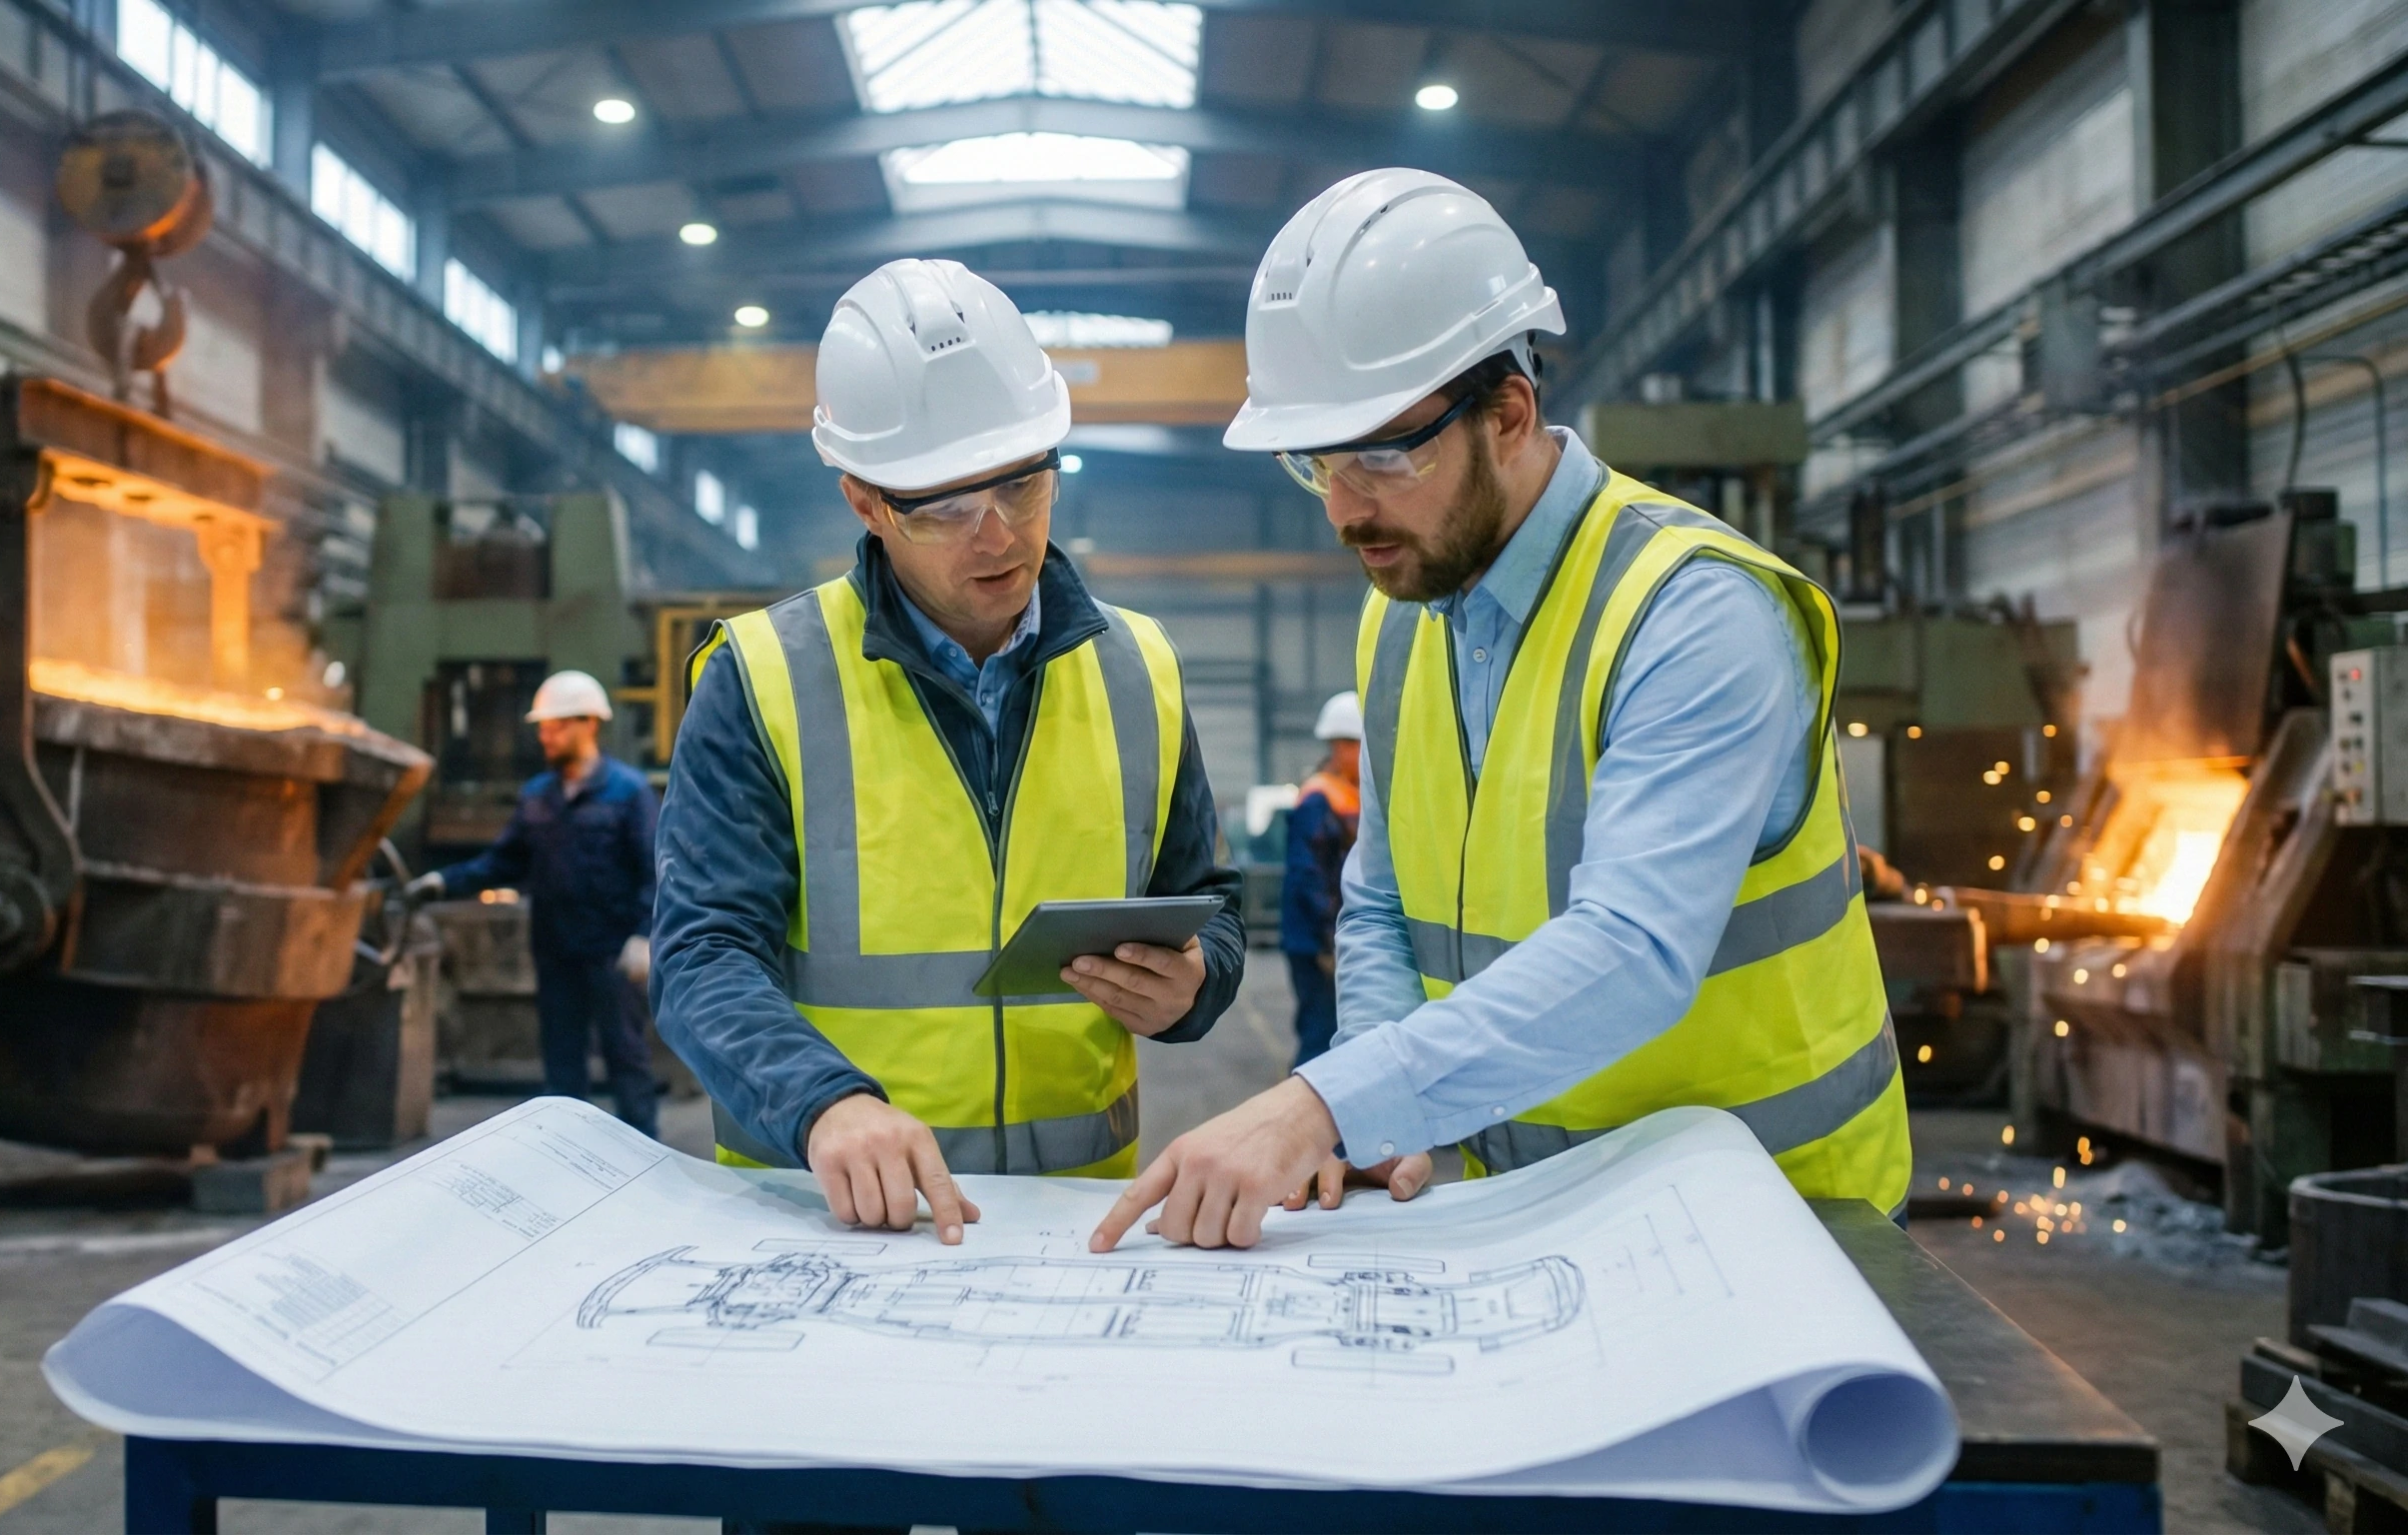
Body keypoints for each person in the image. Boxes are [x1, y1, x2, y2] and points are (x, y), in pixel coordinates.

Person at [1093, 169, 1905, 1253]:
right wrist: (1376, 1114)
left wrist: (1320, 1104)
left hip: (1773, 1226)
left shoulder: (1692, 612)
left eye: (1381, 453)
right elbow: (1379, 905)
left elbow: (1634, 947)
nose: (1343, 509)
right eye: (1315, 462)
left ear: (1508, 414)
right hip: (1528, 1217)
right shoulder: (1402, 614)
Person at [654, 257, 1249, 1245]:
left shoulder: (1137, 667)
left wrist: (1196, 983)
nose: (997, 537)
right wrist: (823, 1104)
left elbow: (1210, 903)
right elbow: (700, 954)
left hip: (1073, 1225)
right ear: (865, 502)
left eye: (1022, 483)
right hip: (835, 1225)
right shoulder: (762, 679)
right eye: (942, 507)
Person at [409, 671, 661, 1135]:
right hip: (557, 951)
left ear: (589, 723)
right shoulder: (536, 798)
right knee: (562, 1071)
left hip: (611, 953)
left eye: (557, 725)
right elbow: (502, 863)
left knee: (626, 1059)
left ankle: (646, 1160)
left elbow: (654, 870)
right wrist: (442, 882)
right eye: (543, 727)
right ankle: (565, 1161)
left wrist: (644, 936)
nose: (546, 735)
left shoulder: (629, 794)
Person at [1280, 692, 1363, 1067]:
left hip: (1335, 936)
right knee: (1321, 1031)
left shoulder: (1353, 795)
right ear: (1342, 746)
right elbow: (1309, 876)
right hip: (1316, 941)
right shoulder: (1320, 798)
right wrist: (1328, 942)